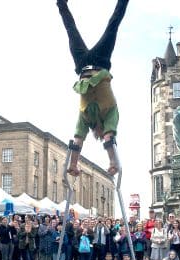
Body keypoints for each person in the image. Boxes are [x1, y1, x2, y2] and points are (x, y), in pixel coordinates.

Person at [56, 0, 129, 176]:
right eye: (99, 133)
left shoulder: (86, 119)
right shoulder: (108, 117)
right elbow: (108, 136)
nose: (98, 133)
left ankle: (61, 3)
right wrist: (113, 161)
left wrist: (73, 164)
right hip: (99, 63)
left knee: (73, 30)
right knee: (112, 26)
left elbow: (78, 139)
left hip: (84, 66)